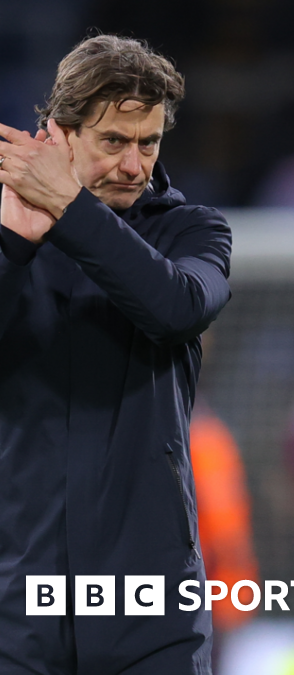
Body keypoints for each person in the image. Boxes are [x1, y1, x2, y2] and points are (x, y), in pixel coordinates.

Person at [0, 35, 230, 672]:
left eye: (148, 143)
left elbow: (177, 307)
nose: (136, 165)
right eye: (114, 142)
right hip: (17, 611)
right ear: (61, 135)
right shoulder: (8, 228)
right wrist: (13, 244)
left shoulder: (194, 229)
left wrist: (67, 207)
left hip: (152, 612)